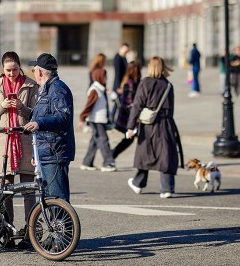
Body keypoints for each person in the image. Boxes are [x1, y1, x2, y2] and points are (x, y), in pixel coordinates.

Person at [0, 51, 39, 248]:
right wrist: (2, 107)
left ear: (19, 67)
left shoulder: (31, 85)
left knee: (29, 190)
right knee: (5, 191)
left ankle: (31, 233)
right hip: (4, 143)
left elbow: (36, 114)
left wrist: (21, 106)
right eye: (7, 70)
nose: (11, 73)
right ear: (2, 68)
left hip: (24, 142)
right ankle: (7, 231)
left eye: (15, 69)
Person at [126, 56, 183, 199]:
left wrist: (130, 126)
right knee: (166, 154)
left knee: (145, 153)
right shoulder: (168, 85)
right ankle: (167, 188)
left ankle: (138, 183)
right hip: (166, 123)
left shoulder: (145, 82)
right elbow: (172, 109)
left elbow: (137, 105)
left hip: (148, 124)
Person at [24, 53, 75, 202]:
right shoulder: (45, 90)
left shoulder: (57, 89)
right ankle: (55, 225)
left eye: (34, 70)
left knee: (57, 199)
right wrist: (36, 154)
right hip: (46, 152)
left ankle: (64, 226)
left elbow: (63, 117)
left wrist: (39, 123)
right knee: (49, 200)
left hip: (55, 152)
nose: (33, 74)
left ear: (39, 72)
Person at [78, 68, 116, 172]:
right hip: (96, 120)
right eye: (105, 76)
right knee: (103, 140)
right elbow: (89, 105)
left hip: (99, 119)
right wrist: (82, 118)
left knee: (94, 141)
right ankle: (108, 163)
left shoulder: (100, 89)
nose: (106, 79)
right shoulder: (95, 89)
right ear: (99, 77)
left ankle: (87, 162)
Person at [111, 61, 142, 159]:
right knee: (136, 139)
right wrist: (134, 120)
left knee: (130, 139)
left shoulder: (131, 82)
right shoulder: (131, 84)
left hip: (130, 117)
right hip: (131, 118)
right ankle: (111, 155)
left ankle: (111, 155)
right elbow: (128, 104)